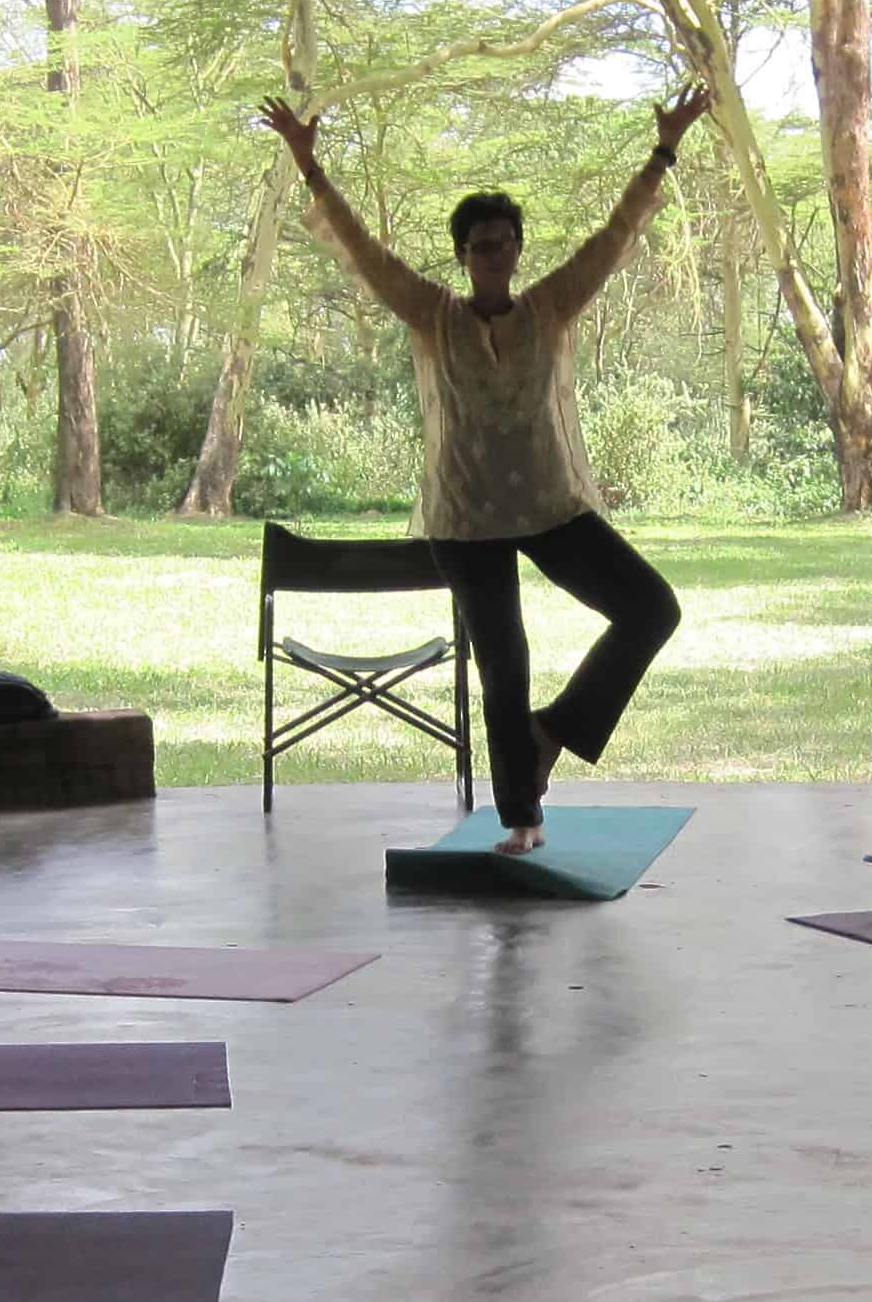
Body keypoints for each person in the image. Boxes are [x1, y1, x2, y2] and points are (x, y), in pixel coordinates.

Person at [258, 89, 707, 856]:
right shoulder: (431, 315)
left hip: (553, 506)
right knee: (506, 661)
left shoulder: (551, 307)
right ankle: (521, 819)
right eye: (479, 245)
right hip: (466, 520)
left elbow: (612, 237)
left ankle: (554, 731)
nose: (493, 255)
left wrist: (663, 150)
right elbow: (364, 251)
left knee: (651, 609)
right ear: (463, 255)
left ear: (518, 250)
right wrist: (310, 166)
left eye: (503, 243)